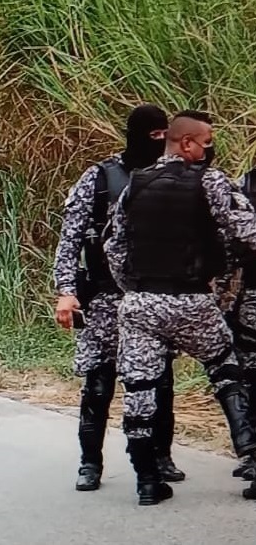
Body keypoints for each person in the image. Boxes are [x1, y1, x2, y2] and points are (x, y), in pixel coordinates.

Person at [105, 110, 256, 506]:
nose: (210, 149)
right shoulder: (210, 181)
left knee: (139, 388)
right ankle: (252, 458)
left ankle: (147, 482)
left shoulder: (134, 184)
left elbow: (114, 248)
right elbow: (245, 231)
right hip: (192, 300)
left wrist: (135, 289)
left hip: (140, 304)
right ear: (186, 143)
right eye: (207, 143)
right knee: (227, 371)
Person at [53, 104, 184, 493]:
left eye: (166, 135)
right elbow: (70, 238)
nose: (161, 143)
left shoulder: (172, 178)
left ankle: (160, 457)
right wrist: (66, 291)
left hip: (152, 299)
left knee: (158, 382)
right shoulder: (100, 178)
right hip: (104, 301)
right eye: (154, 136)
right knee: (99, 384)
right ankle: (90, 463)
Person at [217, 166, 256, 482]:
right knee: (249, 374)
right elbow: (227, 244)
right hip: (250, 295)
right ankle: (253, 456)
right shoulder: (241, 187)